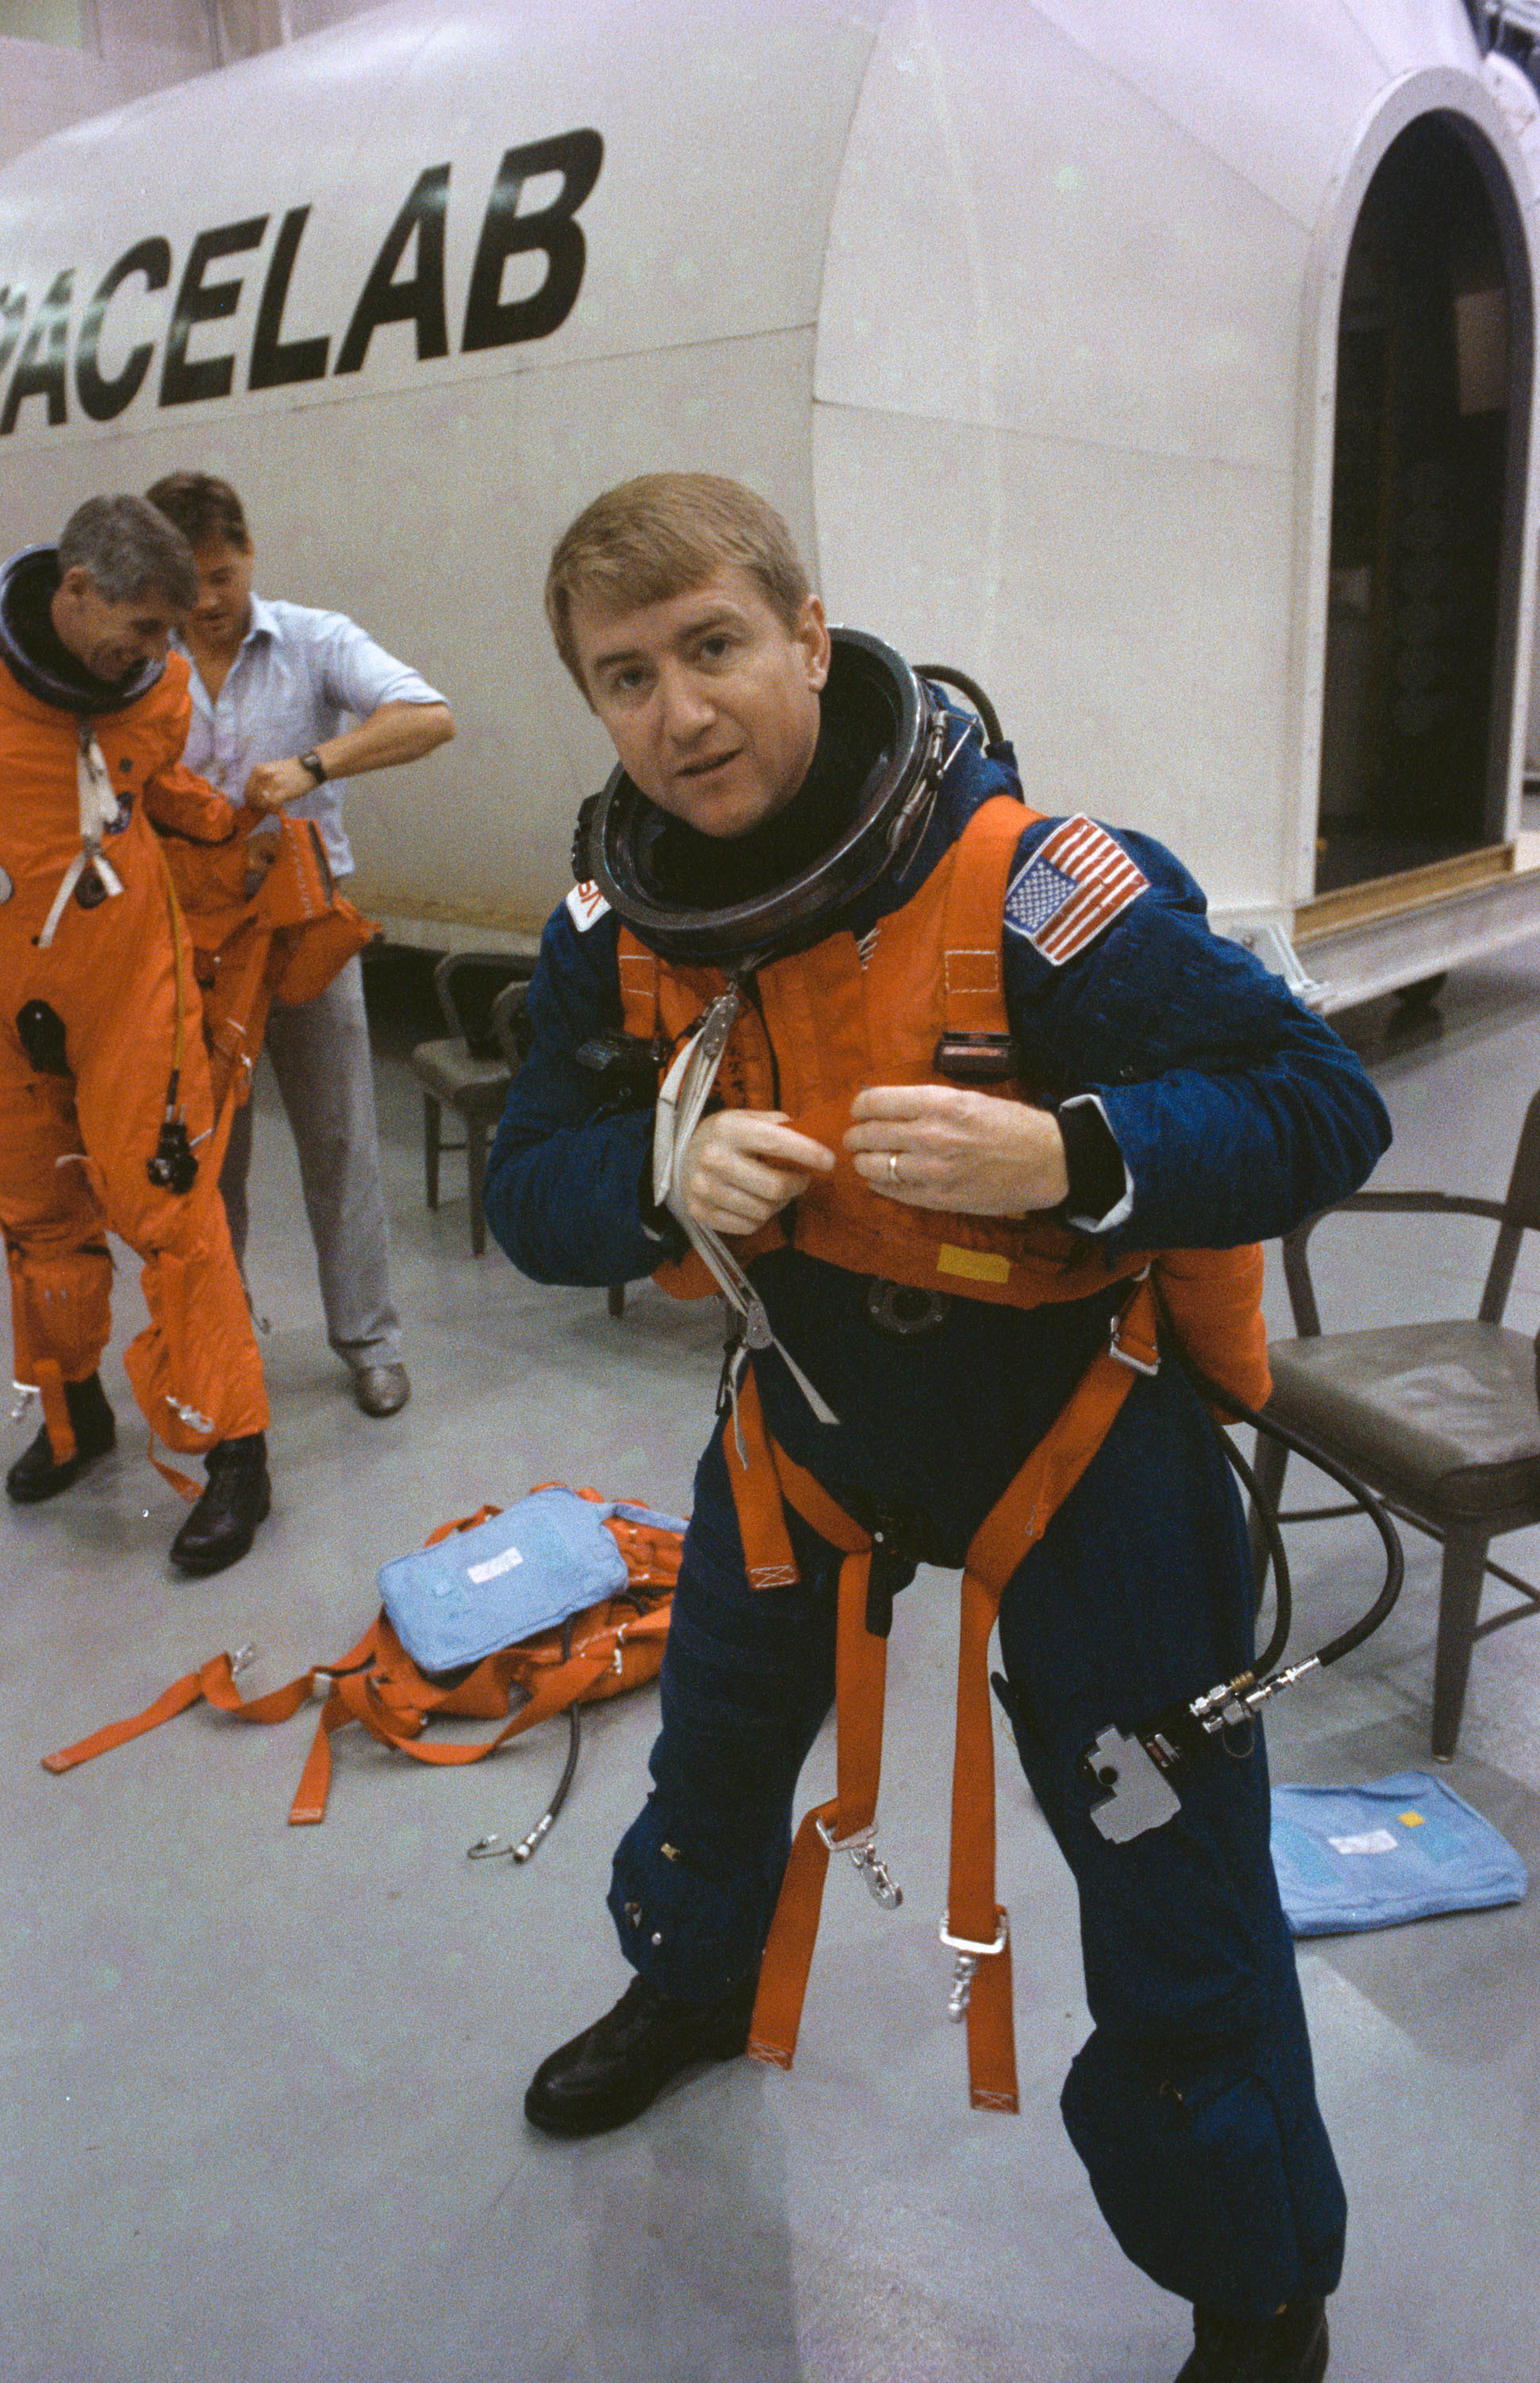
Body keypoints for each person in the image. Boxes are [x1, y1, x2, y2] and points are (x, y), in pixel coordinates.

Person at [483, 473, 1393, 2383]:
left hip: (1080, 1445)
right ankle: (698, 1975)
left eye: (716, 647)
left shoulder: (1038, 889)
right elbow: (529, 1184)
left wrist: (1076, 1151)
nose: (681, 712)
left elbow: (1320, 1105)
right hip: (806, 1426)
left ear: (809, 633)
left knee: (1172, 1874)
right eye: (626, 676)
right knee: (717, 1757)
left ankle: (1257, 2294)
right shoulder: (621, 917)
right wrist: (657, 1174)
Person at [145, 472, 455, 1419]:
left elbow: (428, 717)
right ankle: (225, 1341)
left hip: (304, 941)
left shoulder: (315, 639)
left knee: (341, 1143)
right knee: (209, 1159)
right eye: (187, 582)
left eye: (223, 577)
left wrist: (315, 763)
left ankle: (369, 1342)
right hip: (192, 952)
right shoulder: (141, 660)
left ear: (250, 555)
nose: (205, 602)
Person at [1, 495, 272, 1574]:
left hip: (127, 987)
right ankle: (75, 1420)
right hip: (10, 1000)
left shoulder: (152, 693)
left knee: (170, 1202)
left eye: (175, 629)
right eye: (148, 627)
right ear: (74, 592)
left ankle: (237, 1458)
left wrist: (230, 828)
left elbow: (151, 790)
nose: (167, 654)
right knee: (34, 1213)